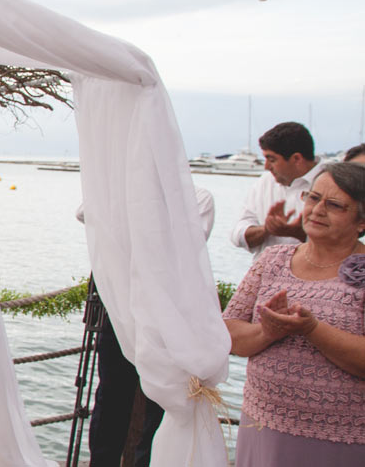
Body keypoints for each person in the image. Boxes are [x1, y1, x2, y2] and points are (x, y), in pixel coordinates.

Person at [223, 162, 365, 466]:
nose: (317, 210)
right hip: (261, 425)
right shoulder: (273, 259)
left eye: (335, 205)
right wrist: (268, 332)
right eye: (313, 198)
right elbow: (230, 334)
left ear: (361, 222)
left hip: (340, 438)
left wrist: (312, 329)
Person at [78, 189, 215, 467]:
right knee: (111, 397)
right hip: (120, 312)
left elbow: (185, 247)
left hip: (169, 319)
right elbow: (84, 211)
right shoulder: (121, 189)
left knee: (163, 402)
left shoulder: (197, 196)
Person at [231, 122, 322, 258]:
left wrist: (300, 234)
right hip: (264, 275)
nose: (266, 167)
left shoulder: (332, 183)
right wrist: (266, 230)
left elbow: (344, 241)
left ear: (297, 158)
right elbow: (237, 235)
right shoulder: (265, 181)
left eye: (272, 160)